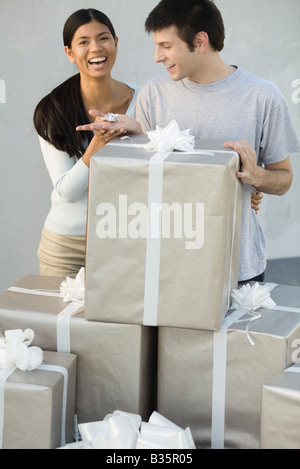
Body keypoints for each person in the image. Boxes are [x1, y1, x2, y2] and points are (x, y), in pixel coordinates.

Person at [80, 0, 300, 283]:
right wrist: (131, 137)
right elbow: (142, 183)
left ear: (200, 41)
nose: (157, 56)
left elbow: (284, 180)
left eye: (166, 46)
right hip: (168, 265)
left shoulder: (263, 97)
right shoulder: (152, 95)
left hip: (237, 267)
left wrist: (257, 177)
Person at [33, 8, 140, 278]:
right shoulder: (53, 110)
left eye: (103, 38)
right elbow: (67, 192)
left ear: (116, 42)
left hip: (125, 241)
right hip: (66, 247)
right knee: (62, 321)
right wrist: (97, 145)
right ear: (69, 52)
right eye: (83, 42)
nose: (96, 48)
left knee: (118, 321)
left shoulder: (144, 100)